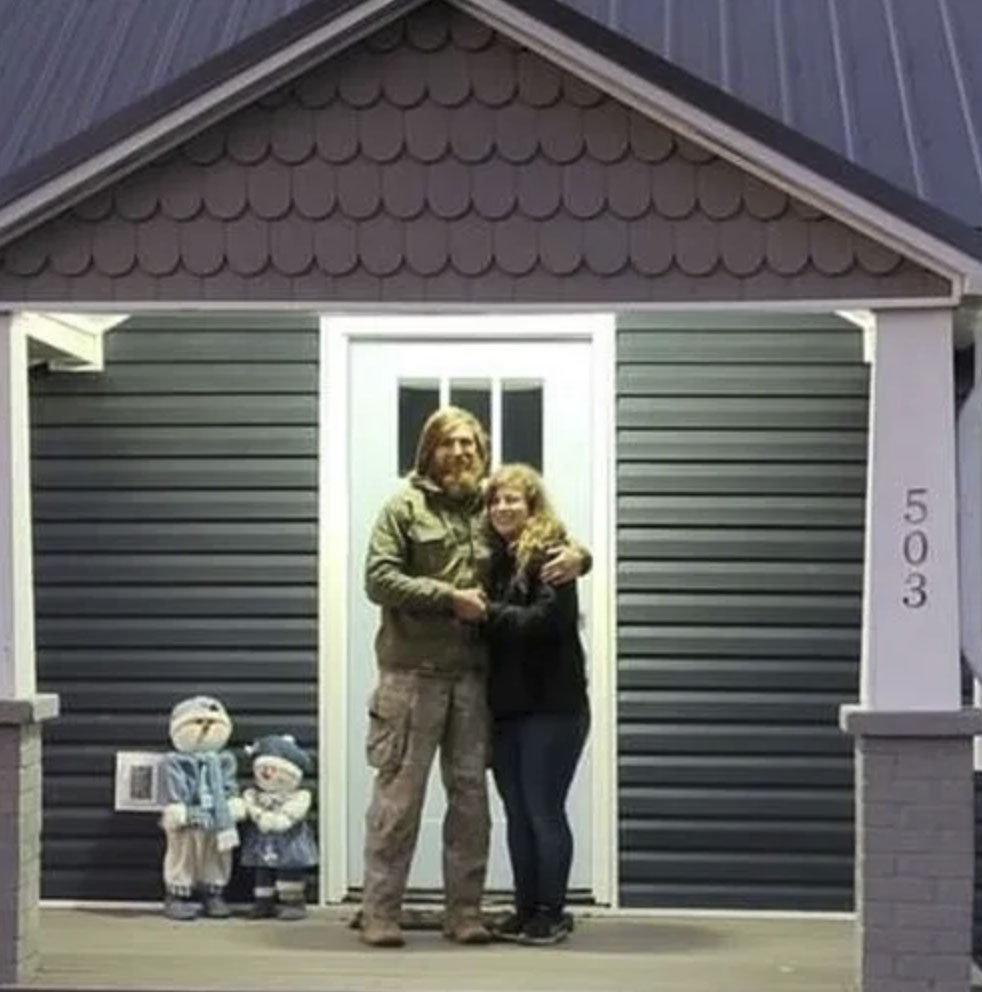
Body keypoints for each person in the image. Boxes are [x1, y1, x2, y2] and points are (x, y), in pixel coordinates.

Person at [359, 407, 586, 948]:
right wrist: (448, 598)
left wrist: (582, 556)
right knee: (398, 801)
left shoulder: (489, 511)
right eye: (449, 443)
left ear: (480, 455)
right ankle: (379, 913)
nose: (460, 453)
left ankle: (464, 913)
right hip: (411, 676)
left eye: (470, 445)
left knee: (471, 804)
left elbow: (541, 535)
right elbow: (378, 578)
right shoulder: (402, 508)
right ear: (429, 450)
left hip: (473, 681)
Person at [483, 464, 590, 946]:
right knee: (518, 812)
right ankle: (525, 909)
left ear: (532, 506)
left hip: (554, 708)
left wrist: (486, 614)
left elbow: (547, 622)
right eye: (495, 500)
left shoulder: (552, 555)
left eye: (513, 499)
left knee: (544, 810)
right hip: (508, 710)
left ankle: (552, 912)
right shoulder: (494, 561)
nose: (502, 508)